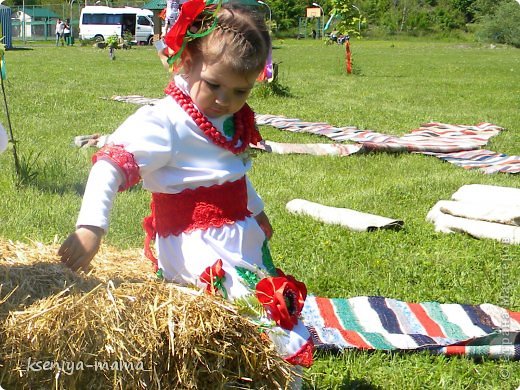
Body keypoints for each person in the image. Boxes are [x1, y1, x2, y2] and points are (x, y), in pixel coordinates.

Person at [58, 0, 314, 384]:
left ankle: (250, 374)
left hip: (239, 235)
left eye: (240, 91)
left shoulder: (229, 119)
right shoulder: (165, 121)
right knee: (254, 320)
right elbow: (110, 165)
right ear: (187, 61)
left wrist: (256, 211)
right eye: (214, 85)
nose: (225, 100)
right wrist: (91, 228)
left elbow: (235, 172)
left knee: (258, 310)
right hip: (199, 247)